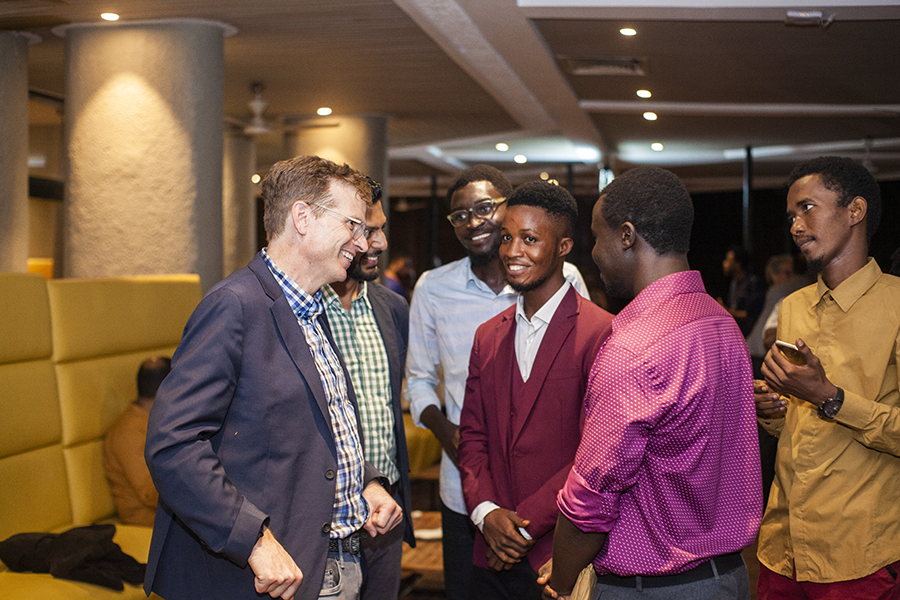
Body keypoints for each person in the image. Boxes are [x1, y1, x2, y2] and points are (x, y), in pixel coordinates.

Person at [143, 155, 403, 600]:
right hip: (259, 577)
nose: (362, 243)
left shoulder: (311, 311)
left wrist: (366, 481)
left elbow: (310, 429)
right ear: (302, 217)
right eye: (353, 226)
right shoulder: (235, 305)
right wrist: (253, 540)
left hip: (333, 562)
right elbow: (173, 443)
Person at [541, 166, 762, 600]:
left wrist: (562, 581)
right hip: (728, 578)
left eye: (597, 237)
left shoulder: (634, 348)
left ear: (626, 235)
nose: (595, 253)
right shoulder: (720, 322)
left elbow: (591, 499)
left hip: (656, 588)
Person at [404, 165, 589, 600]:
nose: (473, 222)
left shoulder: (561, 280)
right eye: (459, 215)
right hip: (467, 485)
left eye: (485, 208)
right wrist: (448, 432)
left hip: (550, 495)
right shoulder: (434, 288)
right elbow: (418, 380)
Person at [458, 181, 613, 600]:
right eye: (507, 237)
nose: (511, 251)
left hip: (558, 553)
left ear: (563, 247)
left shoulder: (601, 332)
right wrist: (487, 514)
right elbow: (472, 436)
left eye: (529, 239)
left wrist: (521, 525)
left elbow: (595, 452)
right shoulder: (486, 336)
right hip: (489, 548)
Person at [755, 156, 900, 599]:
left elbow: (827, 404)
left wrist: (830, 397)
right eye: (791, 216)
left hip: (859, 552)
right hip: (782, 547)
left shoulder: (895, 305)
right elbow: (798, 430)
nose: (796, 226)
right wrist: (772, 411)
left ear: (854, 211)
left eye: (808, 208)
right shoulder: (794, 307)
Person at [321, 178, 415, 600]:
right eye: (366, 230)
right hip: (326, 514)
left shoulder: (392, 307)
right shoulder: (302, 309)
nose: (379, 243)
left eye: (380, 229)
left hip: (387, 515)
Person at [102, 356, 171, 527]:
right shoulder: (128, 431)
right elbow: (150, 493)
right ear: (168, 390)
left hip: (170, 516)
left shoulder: (158, 420)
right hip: (148, 521)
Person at [719, 245, 765, 336]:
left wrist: (726, 311)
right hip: (733, 332)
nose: (725, 263)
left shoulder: (753, 283)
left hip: (748, 334)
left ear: (738, 264)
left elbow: (751, 314)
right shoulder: (731, 282)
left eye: (729, 260)